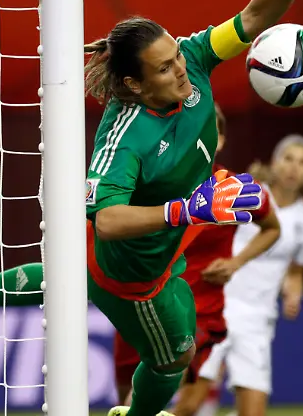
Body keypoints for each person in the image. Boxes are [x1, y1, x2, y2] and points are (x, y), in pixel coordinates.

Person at [0, 0, 303, 416]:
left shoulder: (193, 60)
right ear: (134, 84)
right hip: (133, 270)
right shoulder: (125, 137)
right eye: (164, 68)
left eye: (176, 55)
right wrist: (188, 210)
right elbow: (109, 220)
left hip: (149, 248)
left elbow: (252, 17)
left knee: (64, 276)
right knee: (175, 355)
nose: (180, 70)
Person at [113, 104, 282, 415]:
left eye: (209, 128)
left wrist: (236, 263)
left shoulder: (233, 188)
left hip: (198, 311)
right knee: (127, 399)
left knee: (166, 402)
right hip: (140, 303)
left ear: (220, 140)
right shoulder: (151, 180)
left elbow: (272, 228)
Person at [197, 134, 303, 416]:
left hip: (258, 318)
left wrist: (294, 292)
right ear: (274, 162)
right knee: (187, 405)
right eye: (288, 159)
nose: (294, 168)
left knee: (253, 413)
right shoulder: (248, 194)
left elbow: (295, 270)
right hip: (217, 305)